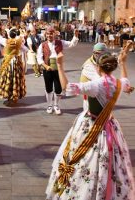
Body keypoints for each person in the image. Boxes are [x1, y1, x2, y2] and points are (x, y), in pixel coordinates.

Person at [45, 42, 135, 200]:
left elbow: (67, 87)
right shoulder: (120, 84)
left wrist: (59, 65)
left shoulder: (96, 85)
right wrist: (123, 62)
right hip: (110, 126)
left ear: (98, 68)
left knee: (83, 158)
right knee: (112, 160)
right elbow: (126, 81)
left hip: (90, 124)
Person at [37, 27, 79, 115]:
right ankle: (49, 105)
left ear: (55, 34)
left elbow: (72, 44)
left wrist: (75, 36)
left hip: (58, 69)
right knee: (48, 88)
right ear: (46, 34)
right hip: (47, 69)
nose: (49, 35)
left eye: (51, 34)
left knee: (58, 88)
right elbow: (39, 58)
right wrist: (46, 66)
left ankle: (56, 105)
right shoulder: (42, 45)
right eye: (48, 34)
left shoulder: (60, 42)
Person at [0, 23, 27, 106]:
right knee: (15, 78)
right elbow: (25, 49)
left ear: (9, 35)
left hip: (7, 62)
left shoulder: (6, 41)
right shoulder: (19, 42)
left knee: (7, 78)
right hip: (16, 62)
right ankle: (14, 97)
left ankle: (9, 96)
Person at [80, 43, 109, 111]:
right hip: (90, 99)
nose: (98, 55)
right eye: (96, 53)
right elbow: (102, 80)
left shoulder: (100, 61)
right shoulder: (89, 66)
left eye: (101, 53)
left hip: (97, 96)